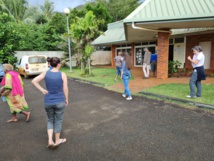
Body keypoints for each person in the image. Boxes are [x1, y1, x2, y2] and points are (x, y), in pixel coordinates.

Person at [32, 57, 68, 149]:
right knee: (58, 120)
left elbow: (34, 81)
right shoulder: (62, 74)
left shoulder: (46, 73)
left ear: (50, 64)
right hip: (60, 101)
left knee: (50, 120)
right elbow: (65, 88)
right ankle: (57, 140)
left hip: (48, 101)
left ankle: (50, 140)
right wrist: (66, 99)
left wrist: (42, 90)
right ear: (59, 64)